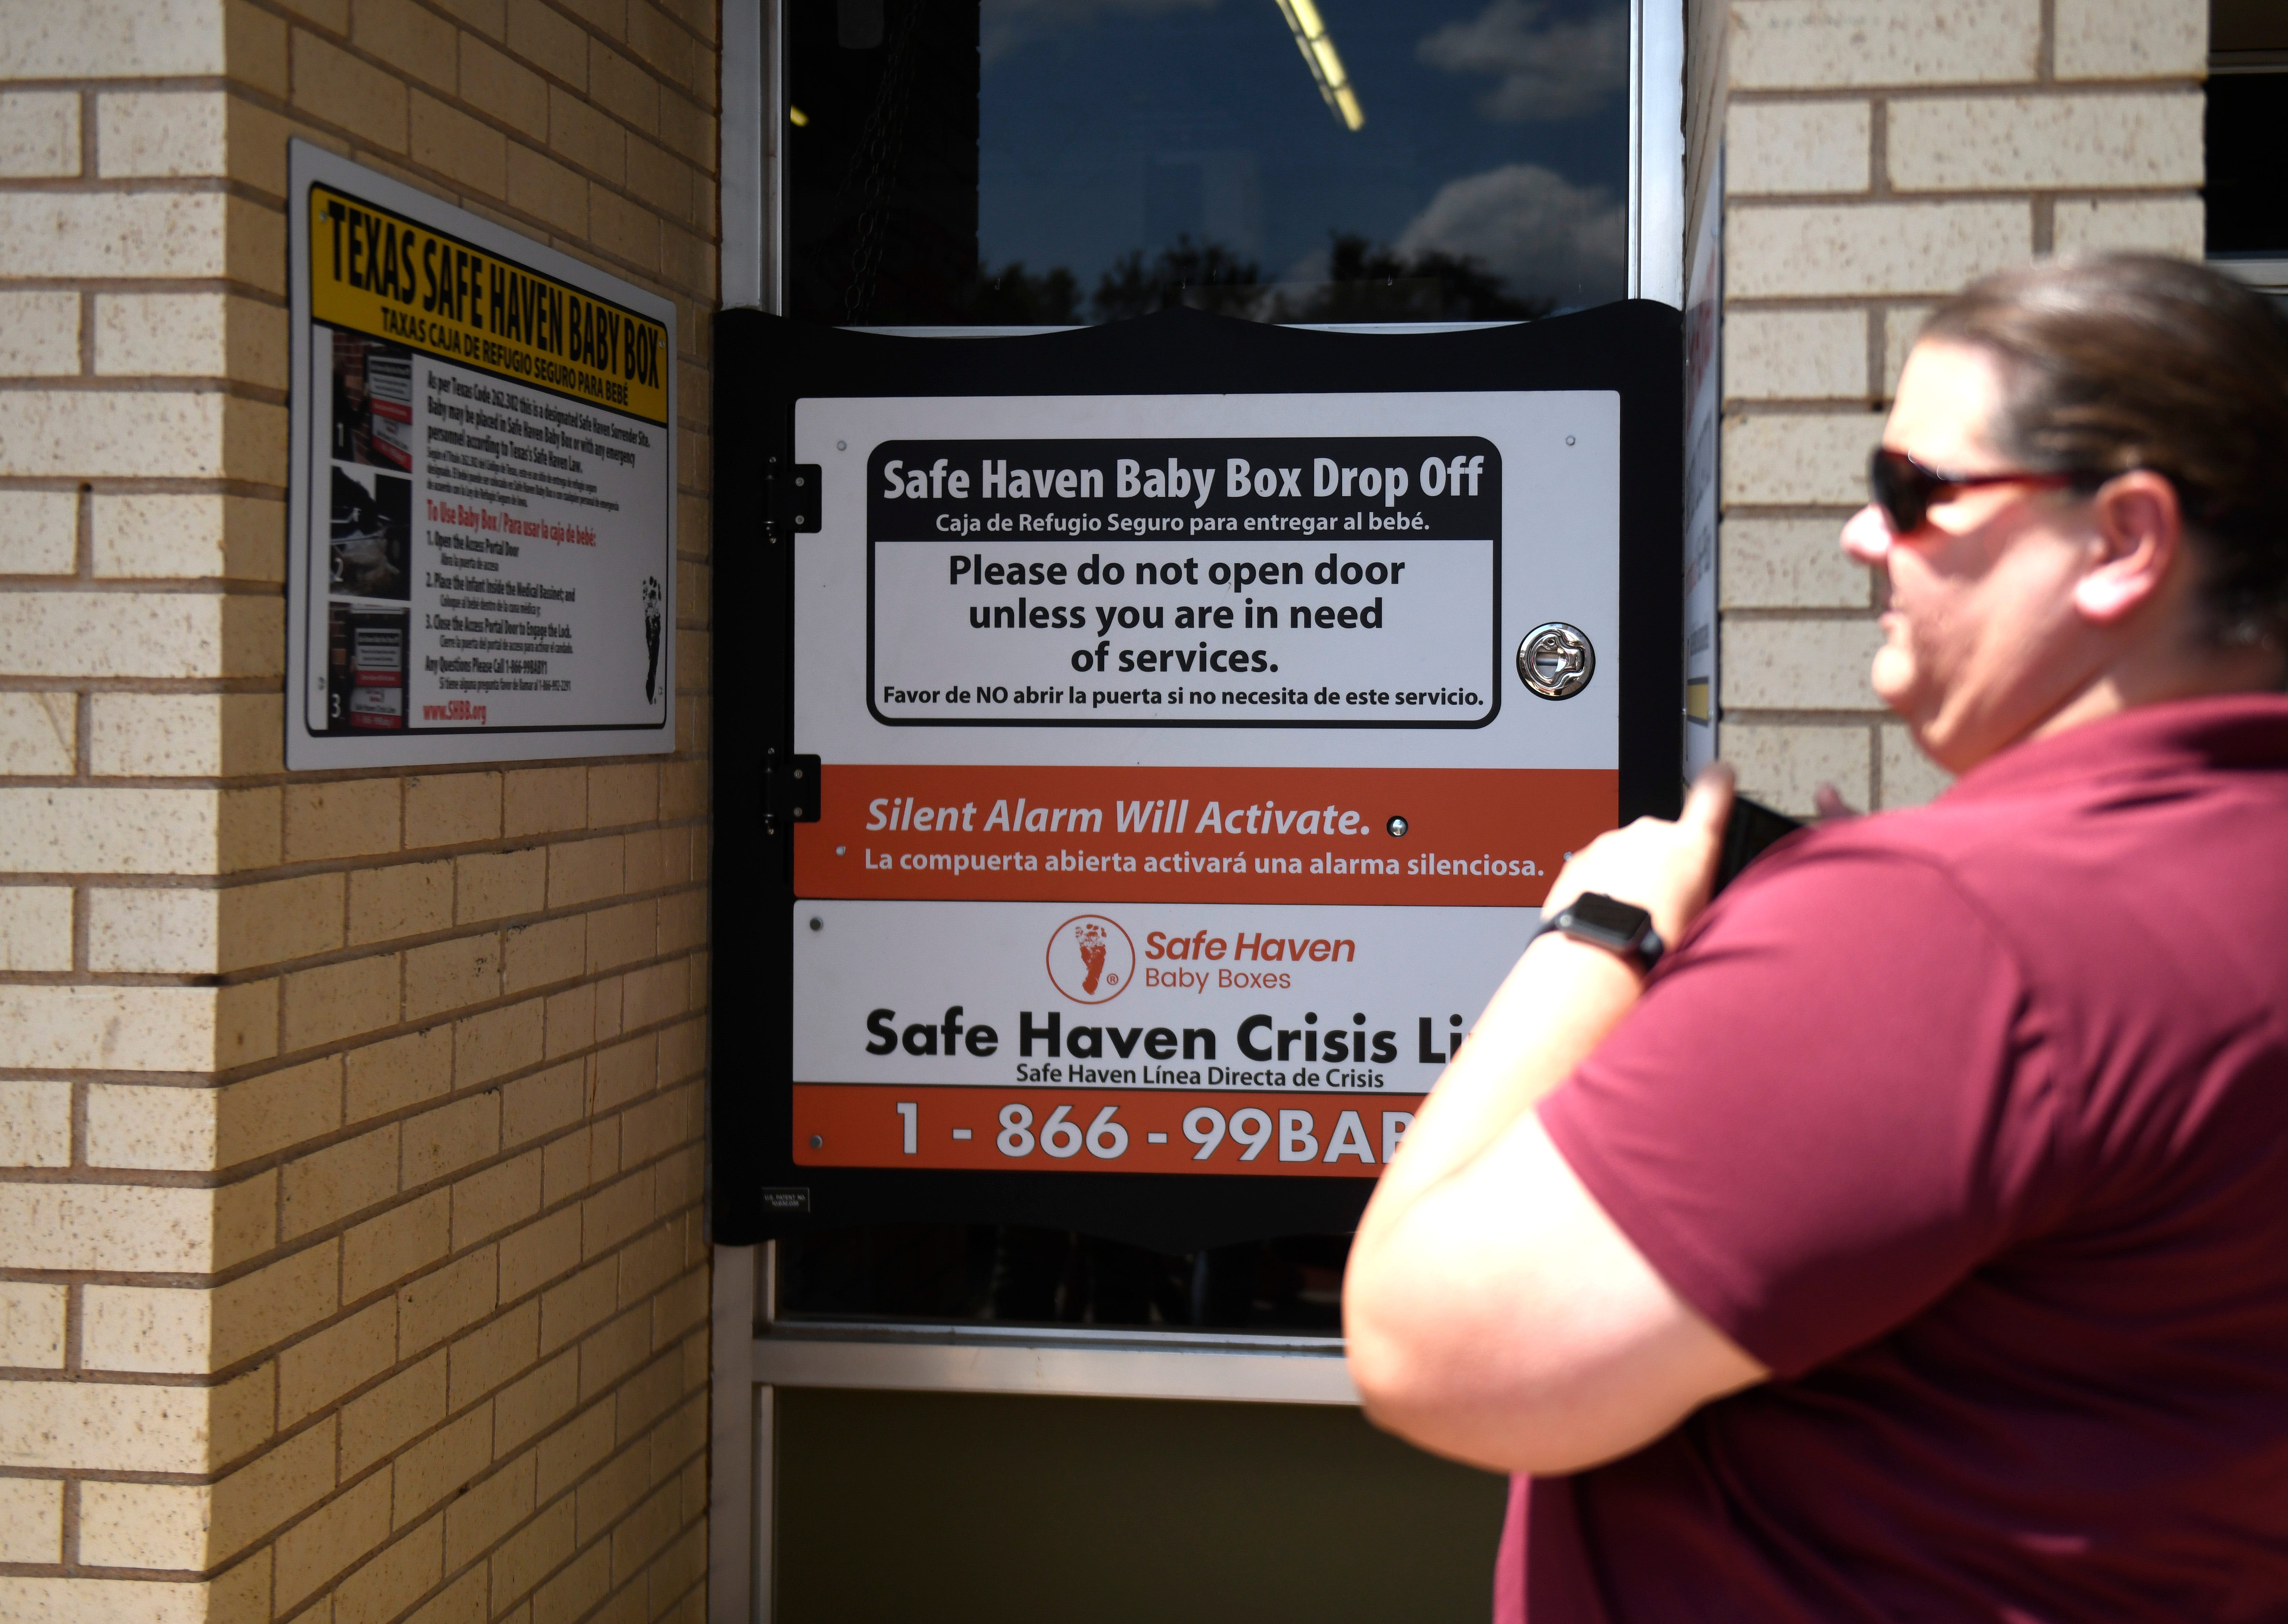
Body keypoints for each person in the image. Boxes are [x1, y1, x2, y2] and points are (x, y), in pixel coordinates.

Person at [1343, 254, 2288, 1621]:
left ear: (2122, 540)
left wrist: (1605, 920)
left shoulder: (1949, 928)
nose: (1859, 533)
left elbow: (1432, 1345)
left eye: (1915, 492)